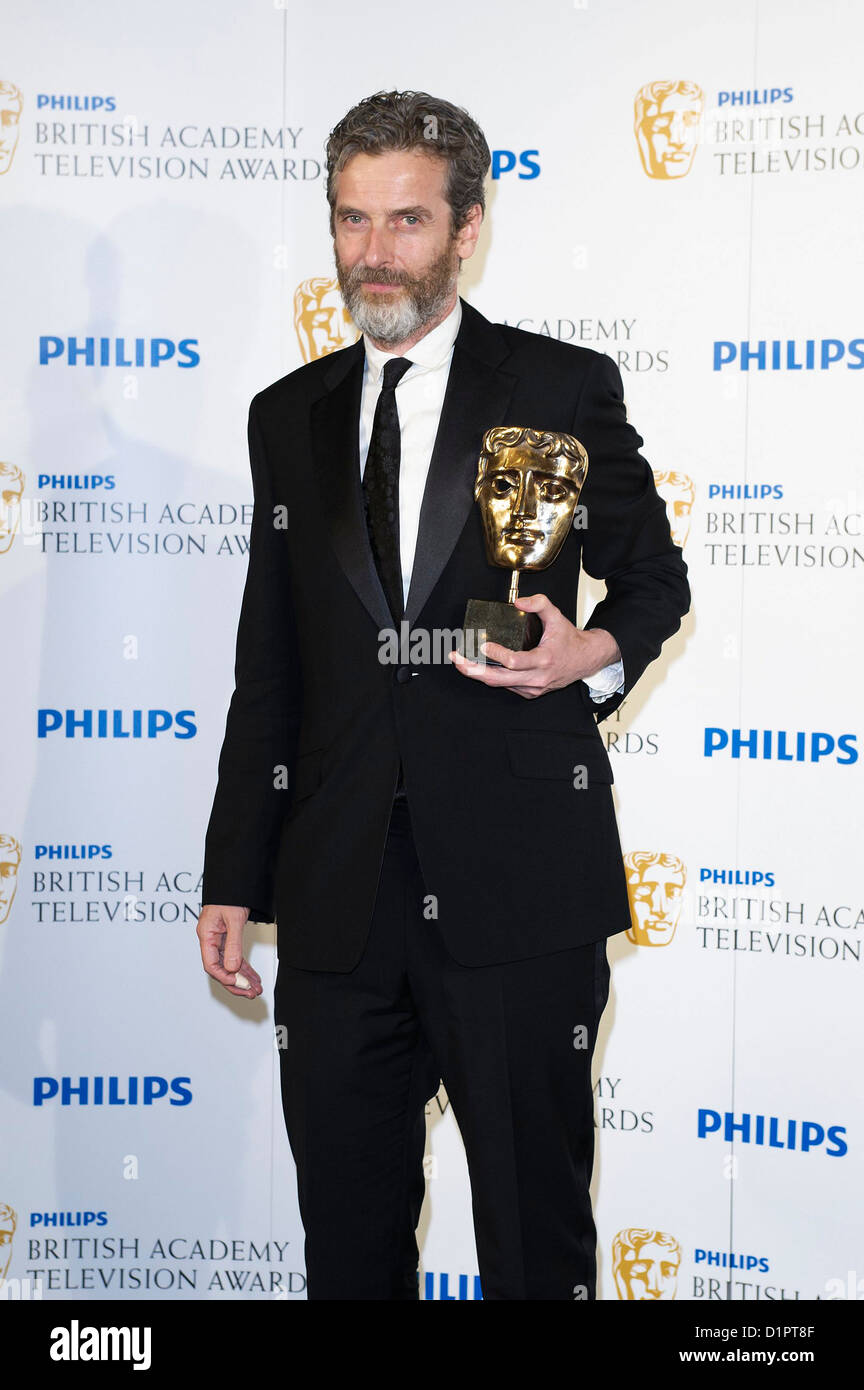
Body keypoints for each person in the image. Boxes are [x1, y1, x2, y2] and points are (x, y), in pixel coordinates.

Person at [197, 89, 690, 1301]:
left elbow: (654, 577)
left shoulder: (562, 387)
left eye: (407, 221)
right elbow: (273, 662)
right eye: (352, 221)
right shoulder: (285, 417)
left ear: (467, 227)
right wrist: (232, 871)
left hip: (519, 884)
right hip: (334, 899)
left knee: (535, 1245)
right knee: (350, 1250)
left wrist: (592, 651)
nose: (375, 254)